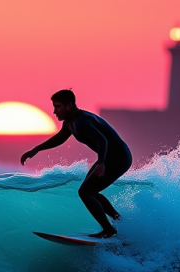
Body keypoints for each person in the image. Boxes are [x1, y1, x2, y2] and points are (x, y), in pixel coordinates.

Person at [20, 89, 133, 238]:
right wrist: (37, 149)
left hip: (119, 158)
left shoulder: (82, 122)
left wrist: (101, 162)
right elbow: (60, 138)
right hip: (110, 158)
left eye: (58, 106)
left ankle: (109, 230)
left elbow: (102, 140)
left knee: (85, 192)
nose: (54, 111)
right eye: (54, 106)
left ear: (69, 106)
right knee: (90, 191)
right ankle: (120, 221)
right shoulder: (70, 123)